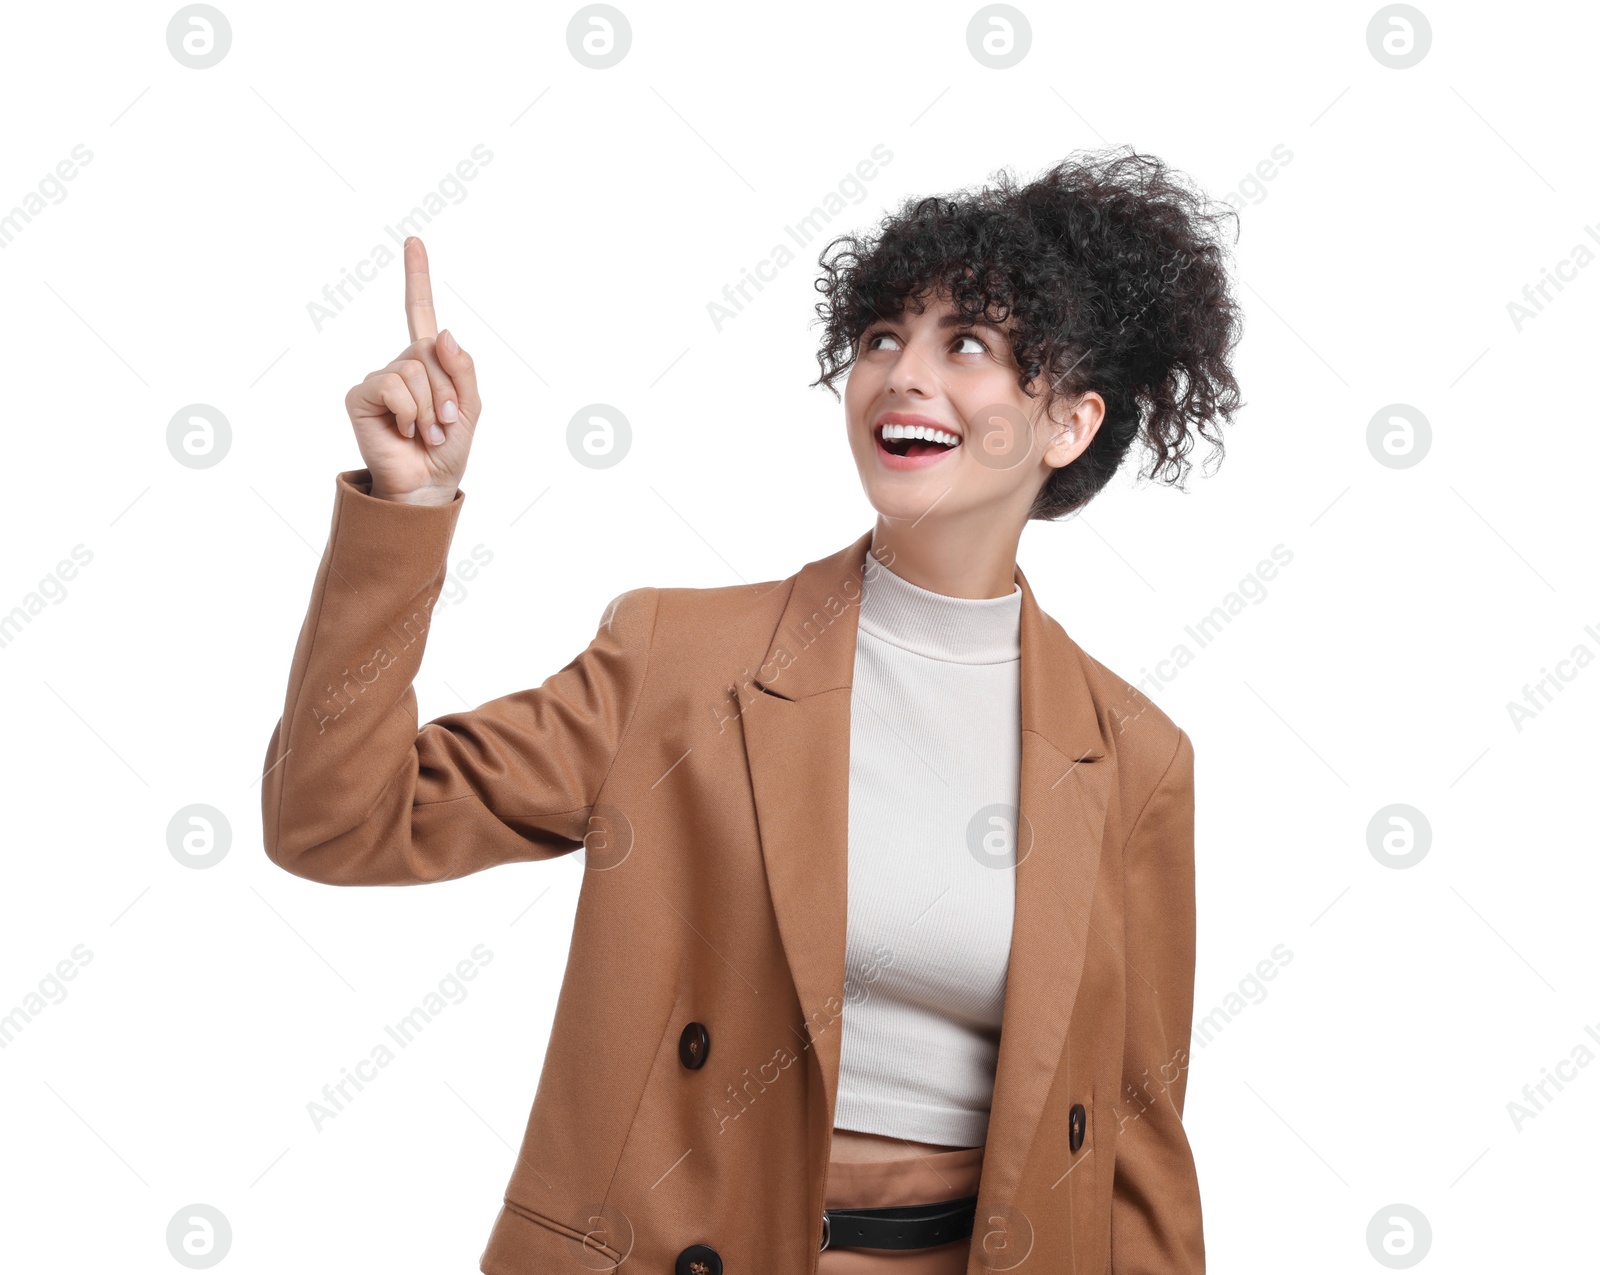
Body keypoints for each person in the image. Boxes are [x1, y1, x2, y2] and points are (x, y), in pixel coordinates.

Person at [262, 143, 1243, 1274]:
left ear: (1068, 425)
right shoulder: (676, 659)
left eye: (964, 344)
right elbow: (335, 822)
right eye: (882, 337)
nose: (902, 375)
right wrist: (409, 508)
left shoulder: (1134, 757)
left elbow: (1137, 1147)